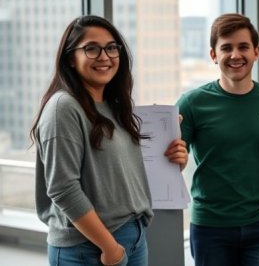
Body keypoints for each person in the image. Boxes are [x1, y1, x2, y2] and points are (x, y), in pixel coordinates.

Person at [31, 15, 188, 266]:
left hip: (132, 236)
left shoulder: (114, 106)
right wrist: (110, 248)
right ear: (71, 58)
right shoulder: (64, 107)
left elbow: (120, 173)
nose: (104, 56)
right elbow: (63, 188)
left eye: (112, 47)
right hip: (90, 246)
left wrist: (172, 160)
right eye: (91, 48)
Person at [177, 13, 259, 266]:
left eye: (243, 47)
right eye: (226, 48)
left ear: (256, 52)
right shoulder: (192, 103)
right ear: (213, 55)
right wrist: (176, 157)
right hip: (210, 227)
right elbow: (175, 162)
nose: (235, 55)